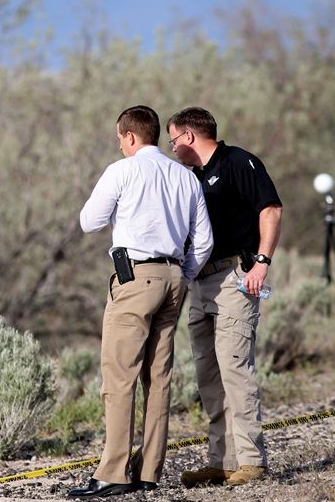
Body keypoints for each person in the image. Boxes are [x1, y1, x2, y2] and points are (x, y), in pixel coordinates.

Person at [68, 105, 213, 498]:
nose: (119, 146)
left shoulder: (122, 170)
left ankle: (114, 472)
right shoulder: (186, 177)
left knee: (119, 377)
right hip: (173, 278)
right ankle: (148, 471)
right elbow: (203, 241)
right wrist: (182, 275)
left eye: (119, 139)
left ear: (130, 136)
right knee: (159, 378)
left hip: (135, 278)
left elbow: (89, 221)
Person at [165, 107, 283, 487]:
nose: (171, 148)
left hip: (236, 277)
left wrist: (261, 263)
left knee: (235, 370)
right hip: (201, 283)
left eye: (173, 140)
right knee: (208, 376)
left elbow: (272, 209)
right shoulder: (193, 178)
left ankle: (251, 461)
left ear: (189, 136)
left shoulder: (238, 162)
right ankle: (221, 460)